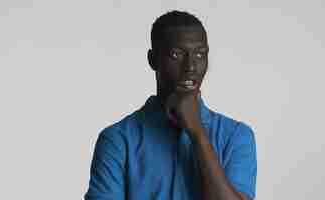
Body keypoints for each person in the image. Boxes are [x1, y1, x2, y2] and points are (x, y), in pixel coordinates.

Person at [84, 10, 257, 200]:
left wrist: (197, 132)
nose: (190, 67)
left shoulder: (236, 136)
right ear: (152, 60)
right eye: (176, 55)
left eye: (200, 54)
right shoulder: (118, 140)